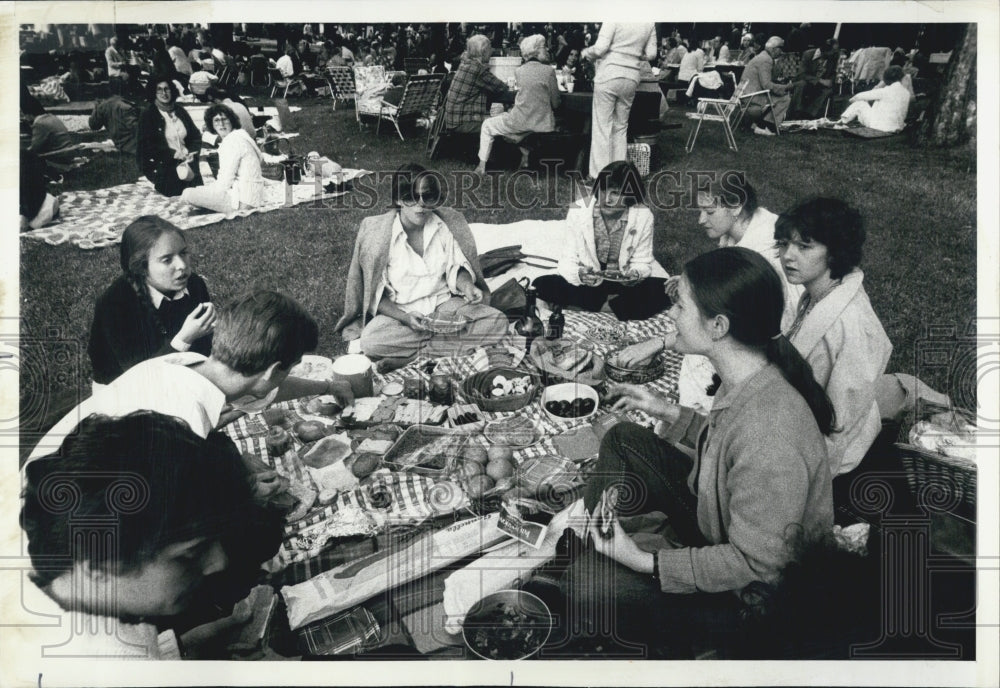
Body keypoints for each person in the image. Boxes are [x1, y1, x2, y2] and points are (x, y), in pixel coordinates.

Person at [562, 247, 834, 655]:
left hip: (751, 602)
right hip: (719, 524)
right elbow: (725, 439)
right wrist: (664, 409)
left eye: (680, 304)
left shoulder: (772, 433)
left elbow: (757, 567)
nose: (670, 314)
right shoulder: (749, 373)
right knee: (623, 437)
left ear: (719, 325)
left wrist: (643, 562)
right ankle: (595, 537)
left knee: (583, 586)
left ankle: (625, 599)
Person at [20, 412, 278, 659]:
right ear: (99, 565)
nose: (218, 562)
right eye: (191, 554)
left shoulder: (62, 578)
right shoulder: (113, 664)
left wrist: (185, 647)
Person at [32, 290, 352, 461]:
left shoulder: (193, 363)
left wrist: (327, 384)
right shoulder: (185, 421)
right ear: (271, 371)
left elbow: (265, 389)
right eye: (290, 366)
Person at [613, 176, 802, 368]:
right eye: (701, 210)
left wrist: (658, 343)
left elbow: (727, 329)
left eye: (709, 212)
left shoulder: (759, 258)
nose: (701, 220)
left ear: (736, 206)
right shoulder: (747, 230)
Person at [333, 164, 508, 370]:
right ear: (398, 200)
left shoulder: (444, 226)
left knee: (497, 321)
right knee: (371, 341)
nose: (421, 204)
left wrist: (468, 286)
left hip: (445, 309)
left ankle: (410, 358)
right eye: (411, 196)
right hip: (403, 314)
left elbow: (456, 268)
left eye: (427, 197)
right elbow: (375, 295)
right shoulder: (379, 236)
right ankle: (443, 350)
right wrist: (406, 318)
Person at [775, 198, 892, 477]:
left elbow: (840, 423)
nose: (788, 256)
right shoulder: (818, 294)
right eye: (783, 244)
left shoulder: (849, 323)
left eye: (804, 246)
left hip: (833, 459)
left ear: (835, 253)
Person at [533, 161, 669, 321]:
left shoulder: (643, 215)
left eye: (616, 193)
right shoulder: (578, 210)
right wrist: (579, 275)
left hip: (621, 280)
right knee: (541, 284)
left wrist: (635, 274)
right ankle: (614, 307)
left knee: (663, 289)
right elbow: (568, 259)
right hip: (591, 280)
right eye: (603, 190)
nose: (606, 199)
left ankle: (595, 306)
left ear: (631, 195)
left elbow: (642, 260)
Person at [88, 216, 213, 385]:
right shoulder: (115, 304)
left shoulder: (194, 284)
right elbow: (140, 378)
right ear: (141, 267)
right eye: (167, 259)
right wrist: (184, 338)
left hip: (185, 375)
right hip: (126, 389)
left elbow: (205, 350)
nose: (182, 265)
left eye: (183, 253)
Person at [581, 22, 657, 179]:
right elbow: (651, 54)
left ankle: (598, 175)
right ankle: (619, 174)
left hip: (609, 72)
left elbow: (600, 48)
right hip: (632, 76)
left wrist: (586, 52)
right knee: (621, 127)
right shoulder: (648, 22)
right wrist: (633, 55)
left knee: (602, 127)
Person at [474, 34, 560, 174]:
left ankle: (481, 166)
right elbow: (556, 104)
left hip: (521, 121)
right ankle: (523, 149)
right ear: (536, 51)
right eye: (544, 47)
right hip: (542, 123)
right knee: (515, 122)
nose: (547, 50)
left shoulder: (519, 71)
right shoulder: (549, 71)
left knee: (488, 125)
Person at [181, 105, 283, 214]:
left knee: (187, 194)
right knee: (202, 192)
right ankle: (204, 208)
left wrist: (206, 194)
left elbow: (225, 182)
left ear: (232, 121)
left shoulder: (231, 141)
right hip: (253, 196)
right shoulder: (242, 135)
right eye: (216, 120)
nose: (221, 123)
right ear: (211, 125)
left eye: (224, 119)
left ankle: (204, 208)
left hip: (244, 201)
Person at [136, 75, 203, 197]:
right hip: (165, 168)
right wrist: (173, 154)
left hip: (188, 165)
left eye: (167, 89)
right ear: (153, 92)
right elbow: (147, 146)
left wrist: (192, 151)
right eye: (159, 89)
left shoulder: (180, 111)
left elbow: (195, 136)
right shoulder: (148, 115)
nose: (164, 93)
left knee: (198, 200)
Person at [442, 34, 510, 135]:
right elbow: (502, 88)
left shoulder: (466, 63)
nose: (491, 51)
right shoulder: (477, 69)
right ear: (483, 51)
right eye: (490, 48)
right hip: (463, 123)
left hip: (453, 121)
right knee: (502, 127)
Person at [742, 36, 793, 135]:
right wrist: (786, 88)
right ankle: (768, 127)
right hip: (752, 97)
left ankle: (761, 125)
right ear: (774, 49)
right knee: (785, 99)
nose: (782, 52)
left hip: (748, 93)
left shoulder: (763, 56)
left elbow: (768, 80)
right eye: (781, 48)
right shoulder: (766, 60)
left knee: (780, 96)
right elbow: (767, 85)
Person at [836, 65, 911, 133]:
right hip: (897, 127)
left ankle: (842, 121)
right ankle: (845, 120)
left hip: (879, 126)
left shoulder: (886, 91)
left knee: (860, 103)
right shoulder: (906, 93)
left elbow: (858, 96)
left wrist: (851, 101)